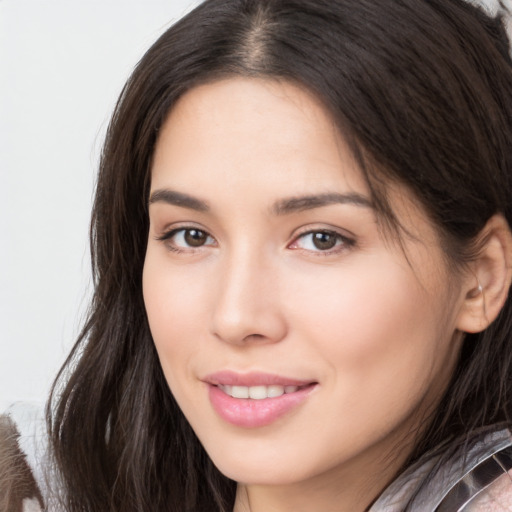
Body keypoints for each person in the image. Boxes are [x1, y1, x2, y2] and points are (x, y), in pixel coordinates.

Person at [2, 0, 512, 510]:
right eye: (191, 236)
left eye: (321, 239)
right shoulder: (27, 481)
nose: (235, 317)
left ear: (480, 279)